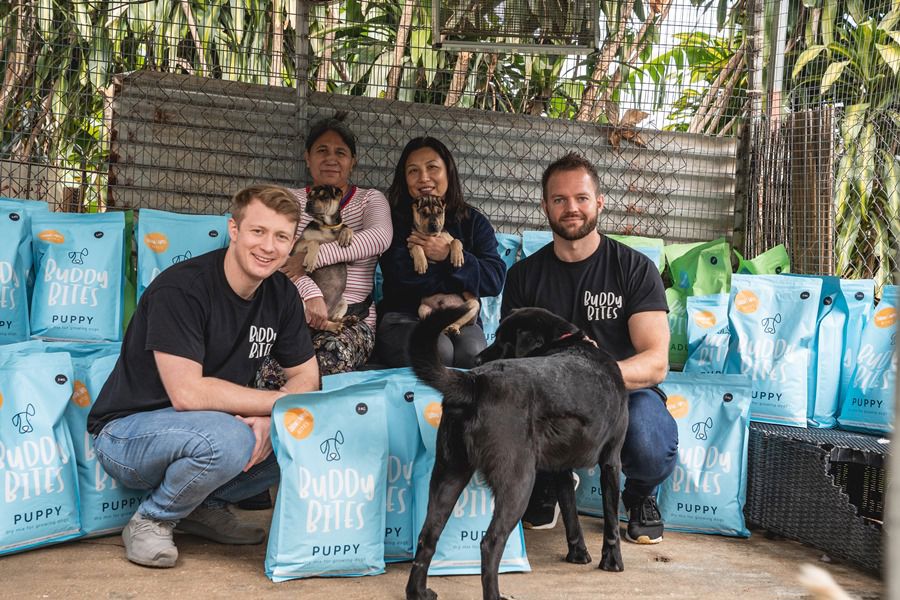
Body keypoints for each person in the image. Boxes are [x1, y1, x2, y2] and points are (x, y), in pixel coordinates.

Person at [88, 185, 320, 568]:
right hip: (127, 434)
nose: (268, 247)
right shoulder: (183, 288)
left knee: (304, 428)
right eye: (257, 232)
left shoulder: (281, 294)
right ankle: (152, 519)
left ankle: (200, 507)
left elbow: (307, 377)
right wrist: (278, 403)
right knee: (231, 437)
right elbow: (187, 394)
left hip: (207, 431)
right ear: (234, 230)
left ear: (292, 243)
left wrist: (270, 418)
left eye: (281, 237)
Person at [501, 152, 677, 544]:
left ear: (599, 202)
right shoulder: (524, 278)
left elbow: (655, 362)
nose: (571, 208)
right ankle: (547, 479)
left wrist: (595, 373)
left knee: (651, 444)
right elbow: (515, 361)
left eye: (581, 198)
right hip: (549, 399)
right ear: (544, 206)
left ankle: (638, 496)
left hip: (623, 393)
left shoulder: (633, 268)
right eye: (559, 199)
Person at [376, 137, 505, 368]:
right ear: (405, 179)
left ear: (449, 172)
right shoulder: (394, 222)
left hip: (461, 319)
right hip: (405, 317)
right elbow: (400, 280)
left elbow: (494, 279)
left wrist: (446, 255)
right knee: (437, 351)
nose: (423, 177)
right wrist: (459, 279)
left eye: (432, 167)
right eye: (413, 171)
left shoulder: (473, 222)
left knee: (472, 355)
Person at [281, 118, 392, 375]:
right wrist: (310, 292)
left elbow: (380, 237)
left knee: (326, 362)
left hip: (352, 320)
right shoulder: (290, 201)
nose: (331, 158)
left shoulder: (369, 199)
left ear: (352, 161)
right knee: (271, 367)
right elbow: (278, 259)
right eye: (322, 151)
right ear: (307, 158)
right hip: (294, 312)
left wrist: (315, 256)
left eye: (340, 152)